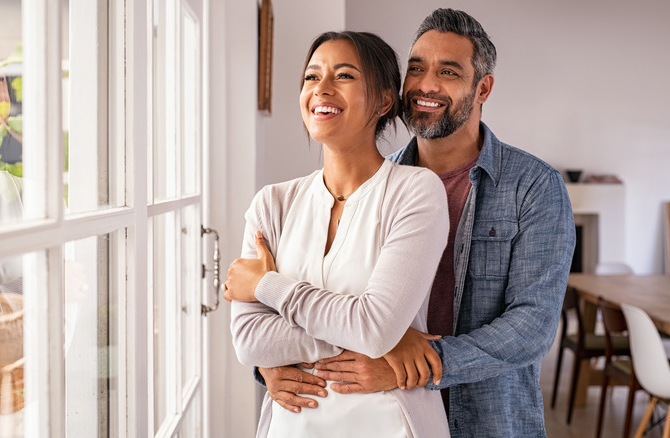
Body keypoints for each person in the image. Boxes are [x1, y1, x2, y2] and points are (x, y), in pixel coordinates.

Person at [257, 8, 576, 438]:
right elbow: (330, 299)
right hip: (380, 418)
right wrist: (270, 362)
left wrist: (419, 363)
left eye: (448, 71)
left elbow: (532, 325)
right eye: (416, 69)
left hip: (488, 421)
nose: (426, 85)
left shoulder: (533, 186)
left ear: (483, 87)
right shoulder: (373, 184)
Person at [225, 31, 451, 437]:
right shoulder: (271, 204)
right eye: (312, 77)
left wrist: (267, 286)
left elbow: (374, 326)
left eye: (343, 76)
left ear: (383, 101)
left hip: (390, 425)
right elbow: (249, 340)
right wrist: (382, 339)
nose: (321, 90)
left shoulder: (416, 191)